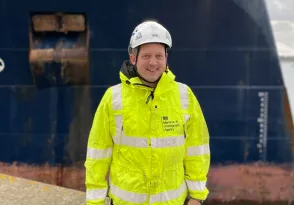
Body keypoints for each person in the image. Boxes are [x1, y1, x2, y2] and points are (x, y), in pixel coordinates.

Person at [84, 20, 211, 205]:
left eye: (159, 55)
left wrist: (196, 197)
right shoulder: (113, 98)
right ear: (133, 58)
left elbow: (197, 150)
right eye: (146, 56)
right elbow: (97, 154)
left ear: (166, 57)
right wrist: (95, 201)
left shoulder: (185, 96)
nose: (153, 62)